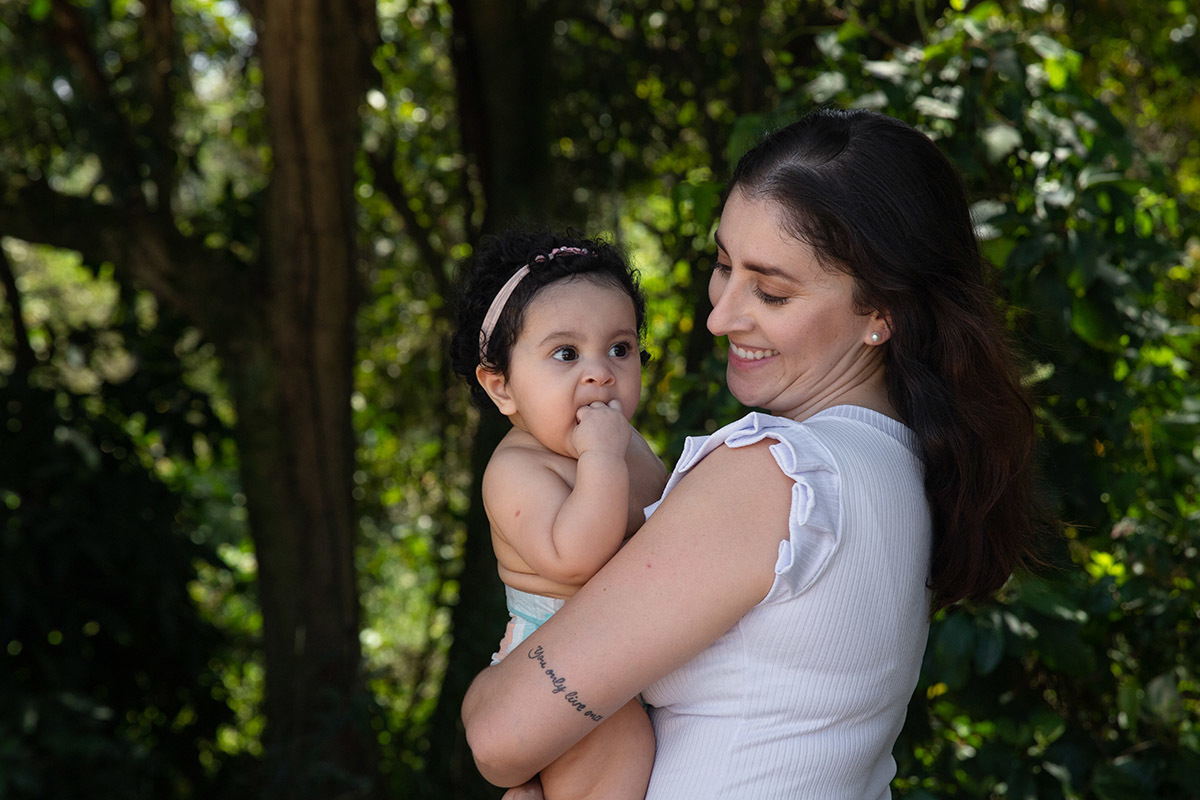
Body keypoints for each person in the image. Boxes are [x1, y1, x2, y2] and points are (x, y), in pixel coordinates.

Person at [460, 107, 1047, 799]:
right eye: (723, 265)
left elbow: (500, 738)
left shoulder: (776, 475)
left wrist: (488, 688)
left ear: (883, 311)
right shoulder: (902, 463)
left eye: (769, 290)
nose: (719, 315)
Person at [450, 230, 668, 799]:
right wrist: (600, 458)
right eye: (566, 354)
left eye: (620, 349)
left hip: (619, 649)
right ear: (502, 387)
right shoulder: (517, 469)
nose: (600, 373)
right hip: (553, 661)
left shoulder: (623, 441)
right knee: (621, 755)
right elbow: (579, 558)